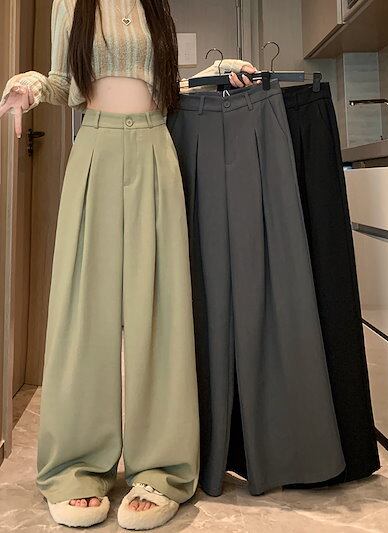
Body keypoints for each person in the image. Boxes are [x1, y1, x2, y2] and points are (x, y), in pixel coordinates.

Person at [0, 0, 258, 529]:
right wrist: (29, 85)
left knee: (159, 311)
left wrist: (215, 72)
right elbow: (60, 81)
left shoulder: (154, 6)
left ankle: (162, 469)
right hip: (94, 147)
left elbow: (164, 86)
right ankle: (76, 467)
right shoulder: (70, 4)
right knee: (83, 312)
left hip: (155, 149)